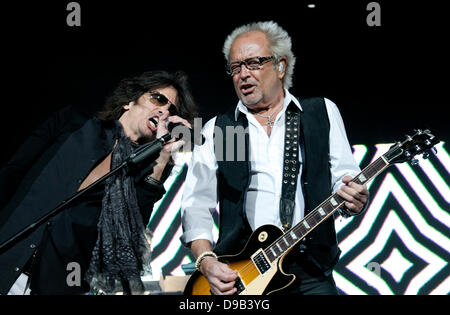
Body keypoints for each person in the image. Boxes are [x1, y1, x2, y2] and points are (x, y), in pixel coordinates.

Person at [180, 21, 369, 295]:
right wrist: (206, 261)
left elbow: (344, 180)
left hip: (310, 269)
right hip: (242, 274)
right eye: (235, 67)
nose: (243, 74)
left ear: (280, 66)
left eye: (254, 63)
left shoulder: (319, 113)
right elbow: (197, 205)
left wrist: (354, 200)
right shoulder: (223, 130)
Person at [0, 70, 197, 295]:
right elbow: (11, 175)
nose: (164, 110)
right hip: (6, 260)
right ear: (129, 102)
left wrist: (162, 158)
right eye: (158, 99)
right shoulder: (71, 123)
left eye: (172, 110)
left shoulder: (142, 176)